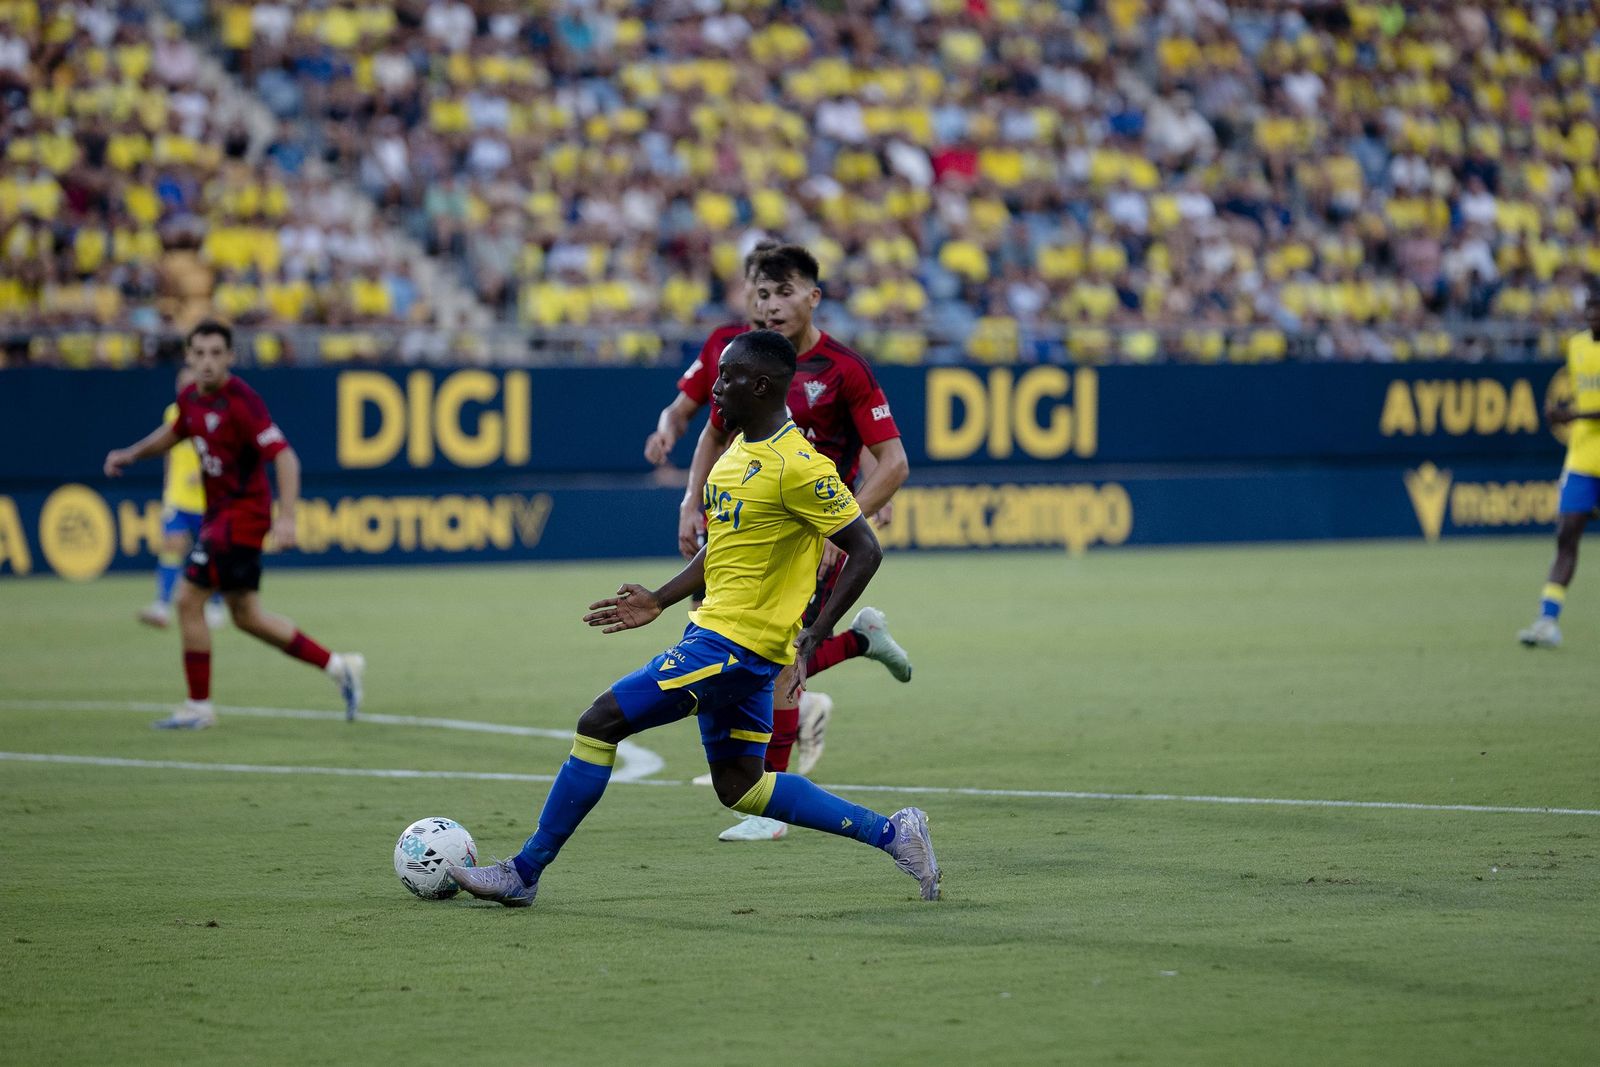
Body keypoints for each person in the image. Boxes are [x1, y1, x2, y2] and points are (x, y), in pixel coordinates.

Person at [449, 329, 940, 906]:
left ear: (760, 385)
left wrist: (815, 634)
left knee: (599, 722)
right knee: (742, 787)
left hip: (735, 647)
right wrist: (659, 599)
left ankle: (524, 871)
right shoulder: (735, 451)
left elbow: (866, 547)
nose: (717, 385)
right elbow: (723, 549)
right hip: (715, 636)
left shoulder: (800, 467)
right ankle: (894, 833)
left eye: (728, 376)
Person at [681, 244, 913, 840]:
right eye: (762, 293)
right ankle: (860, 643)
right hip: (753, 527)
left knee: (777, 655)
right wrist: (691, 502)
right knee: (741, 639)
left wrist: (851, 520)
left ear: (813, 297)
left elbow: (893, 461)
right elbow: (712, 434)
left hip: (814, 535)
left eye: (785, 293)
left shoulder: (845, 369)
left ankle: (767, 804)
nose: (772, 305)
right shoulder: (745, 360)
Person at [103, 321, 365, 729]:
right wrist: (131, 454)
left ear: (230, 357)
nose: (207, 362)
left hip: (242, 517)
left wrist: (288, 518)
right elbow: (172, 434)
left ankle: (198, 707)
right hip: (219, 516)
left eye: (215, 353)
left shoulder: (242, 402)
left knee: (188, 600)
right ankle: (338, 667)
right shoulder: (190, 399)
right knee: (246, 616)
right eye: (199, 353)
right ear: (188, 357)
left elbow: (285, 456)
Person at [1519, 281, 1600, 648]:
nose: (1592, 315)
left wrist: (1570, 416)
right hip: (1583, 457)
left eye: (1597, 308)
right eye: (1589, 308)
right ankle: (1547, 621)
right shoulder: (1577, 345)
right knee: (1566, 535)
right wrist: (1564, 414)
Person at [138, 368, 226, 631]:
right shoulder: (172, 413)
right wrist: (167, 491)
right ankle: (162, 605)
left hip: (208, 500)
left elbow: (224, 453)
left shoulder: (215, 415)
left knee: (212, 554)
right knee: (172, 546)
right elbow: (169, 452)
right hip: (177, 497)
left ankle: (216, 605)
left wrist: (202, 474)